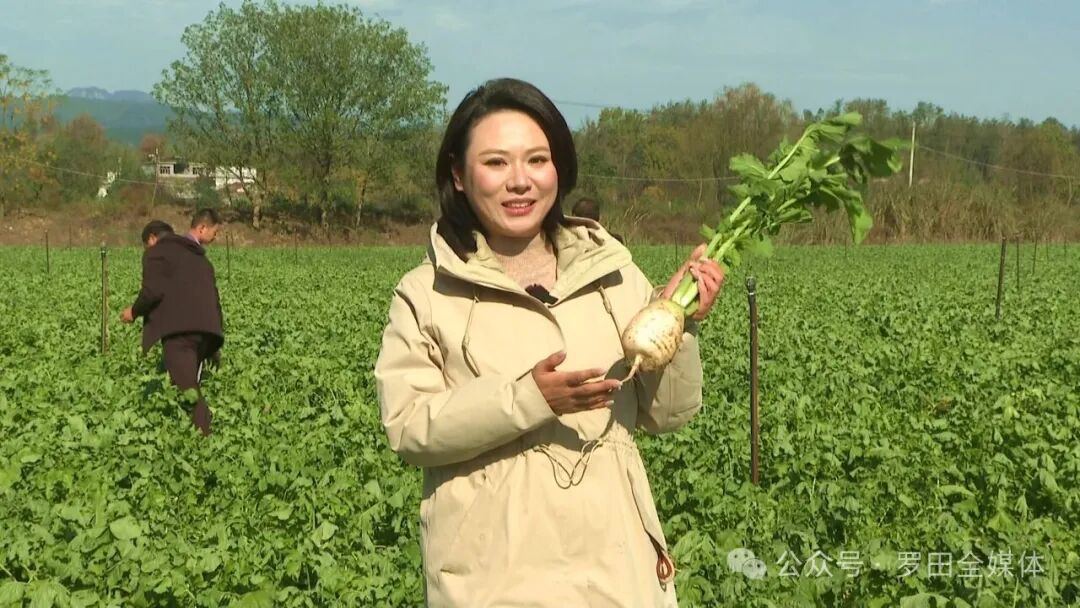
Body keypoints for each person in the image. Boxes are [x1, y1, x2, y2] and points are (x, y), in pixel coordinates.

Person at [374, 78, 724, 607]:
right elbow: (409, 428)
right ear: (459, 176)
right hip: (494, 581)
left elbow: (666, 415)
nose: (520, 181)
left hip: (616, 573)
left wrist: (678, 322)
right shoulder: (427, 292)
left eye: (537, 160)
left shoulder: (612, 272)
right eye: (496, 163)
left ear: (558, 168)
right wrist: (528, 400)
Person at [121, 209, 225, 436]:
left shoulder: (157, 252)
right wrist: (214, 344)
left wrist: (134, 312)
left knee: (188, 389)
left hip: (180, 332)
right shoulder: (198, 257)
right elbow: (213, 299)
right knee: (187, 381)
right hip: (206, 331)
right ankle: (183, 429)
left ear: (151, 239)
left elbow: (152, 292)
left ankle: (205, 439)